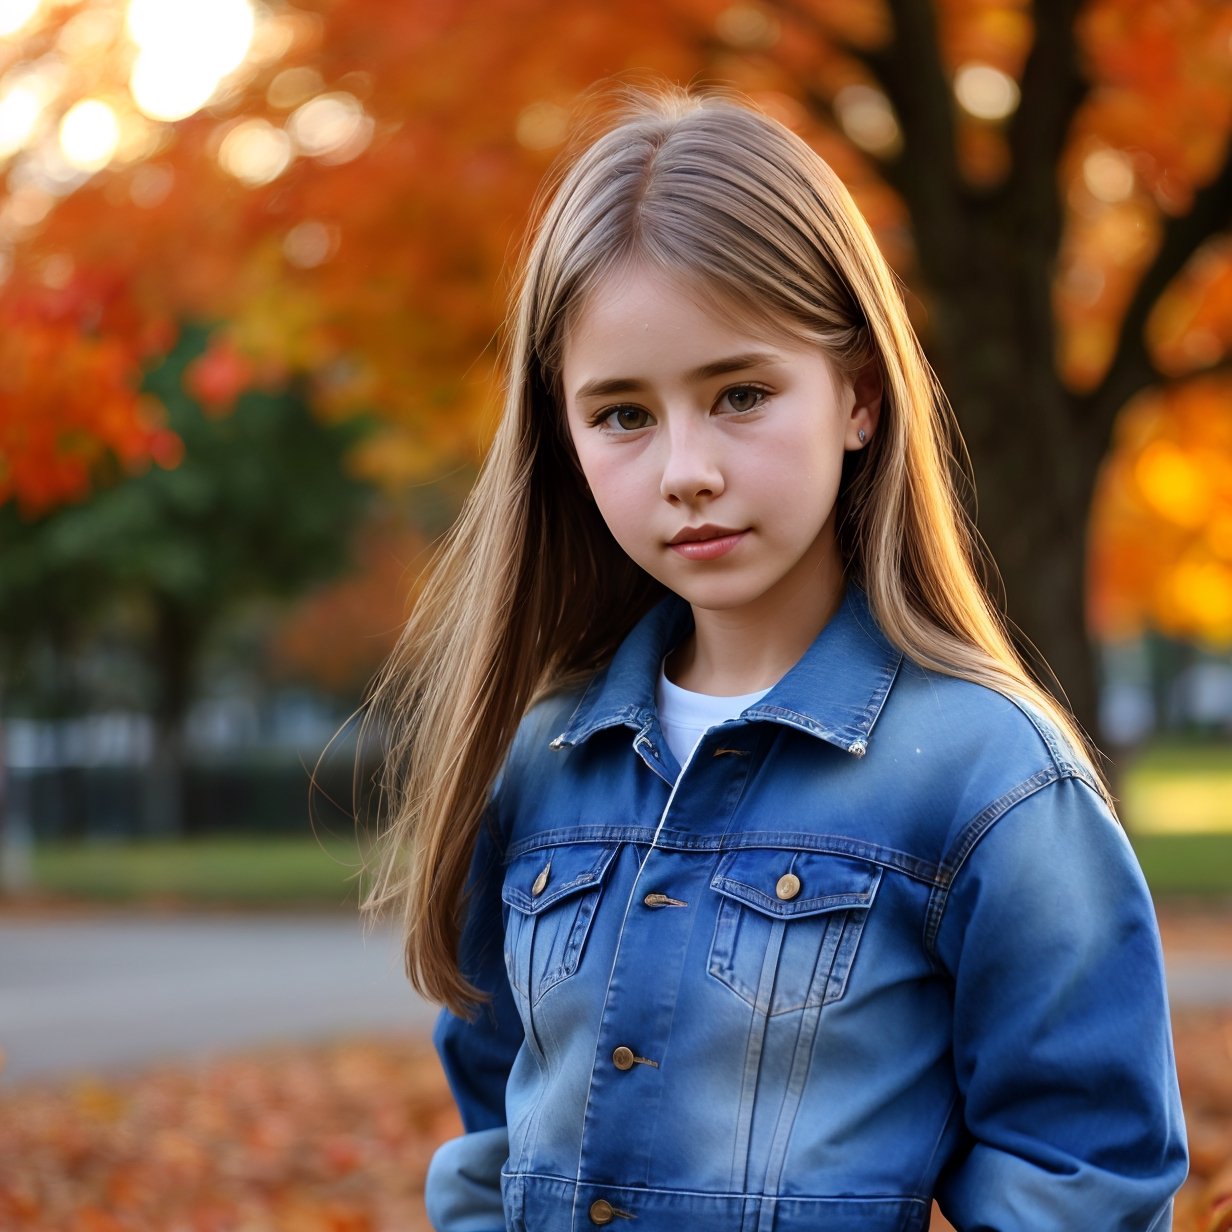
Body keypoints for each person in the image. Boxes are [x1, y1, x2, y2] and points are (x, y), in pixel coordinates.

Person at [362, 87, 1188, 1231]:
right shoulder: (542, 763)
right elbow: (495, 1127)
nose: (684, 467)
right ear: (561, 433)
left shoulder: (989, 776)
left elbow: (1082, 1178)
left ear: (855, 393)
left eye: (738, 393)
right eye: (621, 414)